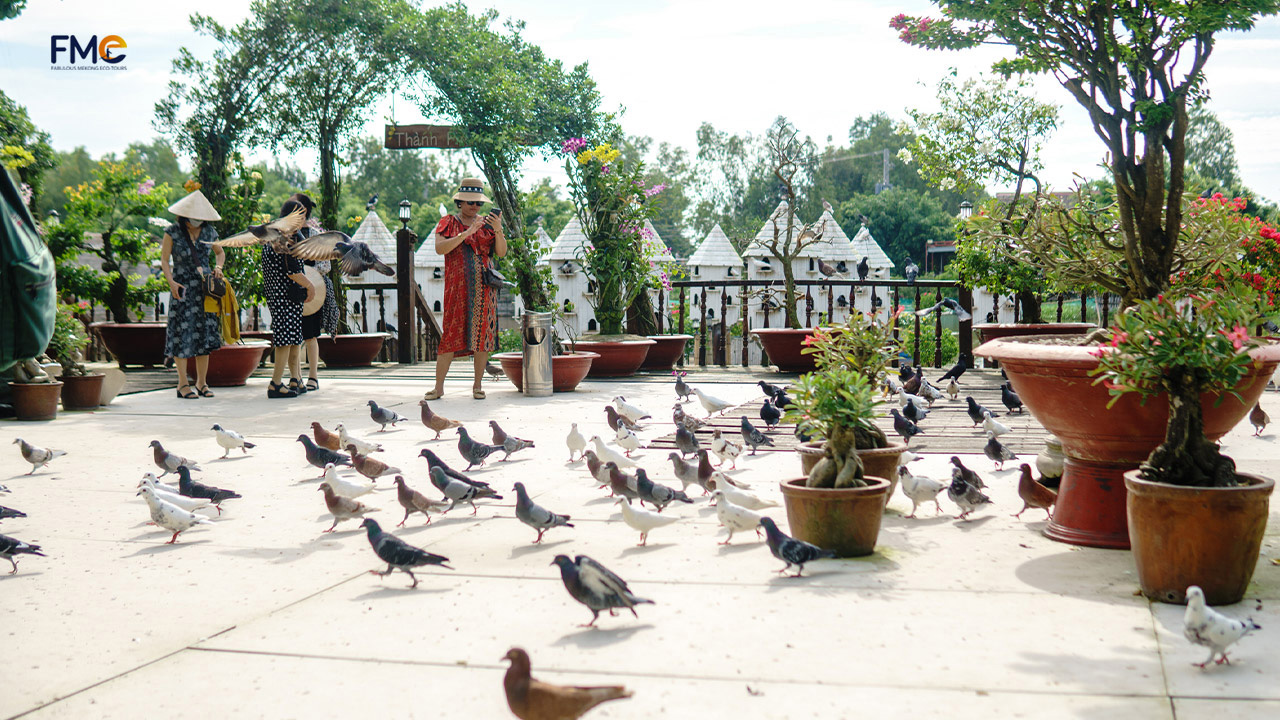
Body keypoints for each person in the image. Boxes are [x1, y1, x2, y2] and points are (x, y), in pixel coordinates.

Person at [425, 178, 506, 400]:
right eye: (470, 202)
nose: (474, 206)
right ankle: (439, 387)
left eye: (478, 203)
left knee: (483, 336)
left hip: (484, 289)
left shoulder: (488, 225)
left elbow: (500, 253)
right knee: (450, 334)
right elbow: (440, 248)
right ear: (460, 202)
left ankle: (477, 385)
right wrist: (466, 233)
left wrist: (498, 230)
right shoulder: (448, 222)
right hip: (457, 289)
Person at [160, 190, 225, 399]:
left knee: (204, 336)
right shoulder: (172, 232)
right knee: (181, 335)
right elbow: (164, 260)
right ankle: (182, 384)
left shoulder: (209, 233)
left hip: (204, 289)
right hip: (182, 288)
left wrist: (219, 267)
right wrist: (171, 283)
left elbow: (220, 252)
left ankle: (202, 383)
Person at [261, 197, 315, 398]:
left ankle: (296, 379)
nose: (303, 221)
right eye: (300, 217)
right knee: (285, 339)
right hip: (285, 295)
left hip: (282, 295)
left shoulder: (275, 233)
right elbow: (292, 271)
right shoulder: (285, 237)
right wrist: (310, 287)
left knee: (293, 338)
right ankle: (275, 383)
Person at [287, 193, 337, 392]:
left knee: (311, 334)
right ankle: (295, 377)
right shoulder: (286, 233)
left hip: (312, 289)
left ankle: (313, 376)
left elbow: (325, 266)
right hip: (293, 288)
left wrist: (309, 278)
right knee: (294, 335)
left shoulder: (317, 235)